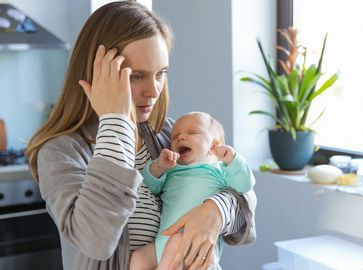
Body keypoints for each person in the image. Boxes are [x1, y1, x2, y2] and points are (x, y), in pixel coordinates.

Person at [25, 2, 257, 270]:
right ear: (96, 75)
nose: (153, 90)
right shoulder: (61, 151)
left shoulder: (169, 135)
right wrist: (115, 123)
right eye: (137, 77)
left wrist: (215, 211)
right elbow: (95, 240)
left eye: (161, 74)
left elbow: (245, 202)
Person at [130, 112, 255, 269]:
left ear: (214, 145)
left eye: (192, 133)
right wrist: (158, 167)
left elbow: (245, 186)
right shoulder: (172, 169)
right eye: (175, 137)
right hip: (160, 244)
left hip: (193, 248)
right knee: (139, 257)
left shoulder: (220, 170)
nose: (180, 138)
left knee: (176, 241)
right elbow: (149, 187)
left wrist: (233, 159)